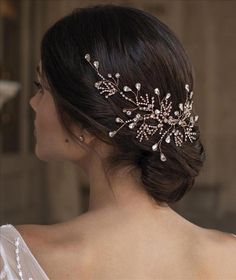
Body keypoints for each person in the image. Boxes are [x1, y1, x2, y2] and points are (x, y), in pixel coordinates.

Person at [1, 4, 235, 280]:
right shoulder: (229, 255)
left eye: (42, 88)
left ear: (85, 122)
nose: (32, 102)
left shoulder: (13, 256)